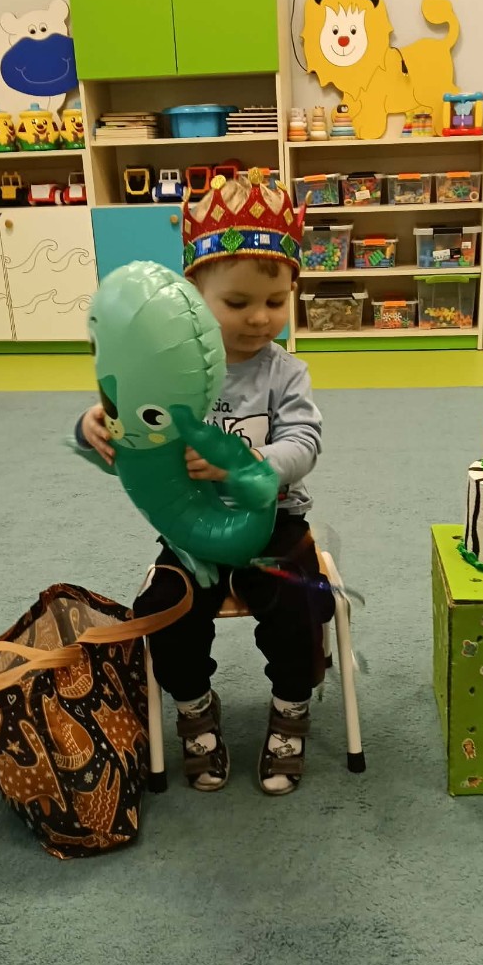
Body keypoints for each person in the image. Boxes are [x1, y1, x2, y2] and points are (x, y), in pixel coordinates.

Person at [76, 170, 333, 796]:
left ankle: (291, 708)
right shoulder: (162, 369)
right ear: (193, 297)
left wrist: (248, 465)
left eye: (276, 302)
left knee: (302, 605)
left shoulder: (284, 373)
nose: (260, 318)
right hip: (190, 530)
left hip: (273, 525)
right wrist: (92, 429)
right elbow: (129, 440)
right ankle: (194, 708)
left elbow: (305, 442)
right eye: (237, 303)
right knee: (162, 612)